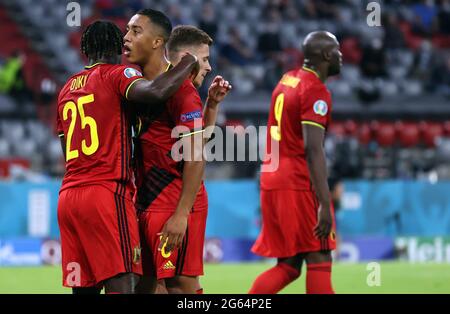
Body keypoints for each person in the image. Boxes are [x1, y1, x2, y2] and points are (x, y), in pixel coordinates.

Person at [56, 20, 198, 294]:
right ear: (116, 46)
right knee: (122, 283)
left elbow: (66, 149)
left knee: (84, 287)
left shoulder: (67, 89)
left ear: (86, 48)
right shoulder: (118, 74)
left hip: (69, 197)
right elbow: (156, 92)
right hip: (106, 193)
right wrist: (186, 64)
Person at [123, 10, 231, 294]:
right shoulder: (139, 86)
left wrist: (181, 214)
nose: (127, 38)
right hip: (145, 197)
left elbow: (196, 154)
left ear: (158, 42)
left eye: (135, 31)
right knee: (149, 283)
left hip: (169, 200)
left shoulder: (181, 91)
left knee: (174, 284)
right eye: (128, 31)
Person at [249, 31, 342, 294]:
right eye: (337, 50)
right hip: (298, 183)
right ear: (326, 55)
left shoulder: (288, 78)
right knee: (320, 258)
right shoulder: (315, 91)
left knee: (289, 264)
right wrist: (325, 203)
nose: (341, 56)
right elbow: (313, 149)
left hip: (272, 177)